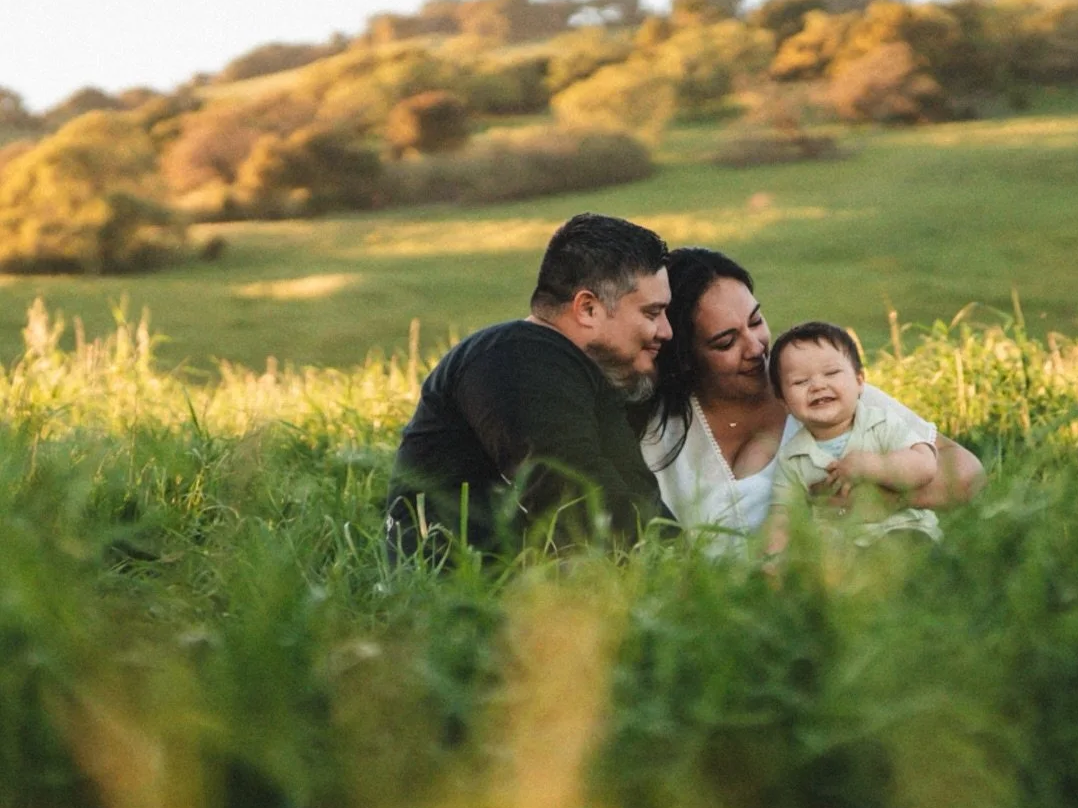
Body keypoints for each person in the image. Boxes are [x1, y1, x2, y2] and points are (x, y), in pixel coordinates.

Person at [637, 245, 984, 542]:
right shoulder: (662, 434)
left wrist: (879, 500)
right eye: (726, 342)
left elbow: (967, 472)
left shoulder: (822, 391)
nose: (755, 347)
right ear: (684, 355)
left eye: (756, 322)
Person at [385, 213, 677, 560]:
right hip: (460, 601)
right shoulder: (514, 356)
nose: (666, 330)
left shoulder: (577, 376)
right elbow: (580, 501)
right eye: (651, 313)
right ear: (587, 308)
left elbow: (643, 507)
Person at [765, 320, 941, 551]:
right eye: (800, 381)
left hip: (901, 530)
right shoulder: (792, 457)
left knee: (904, 547)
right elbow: (782, 515)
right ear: (784, 402)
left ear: (859, 381)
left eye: (831, 373)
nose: (817, 385)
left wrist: (875, 465)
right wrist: (773, 557)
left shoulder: (881, 423)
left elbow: (925, 465)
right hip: (840, 550)